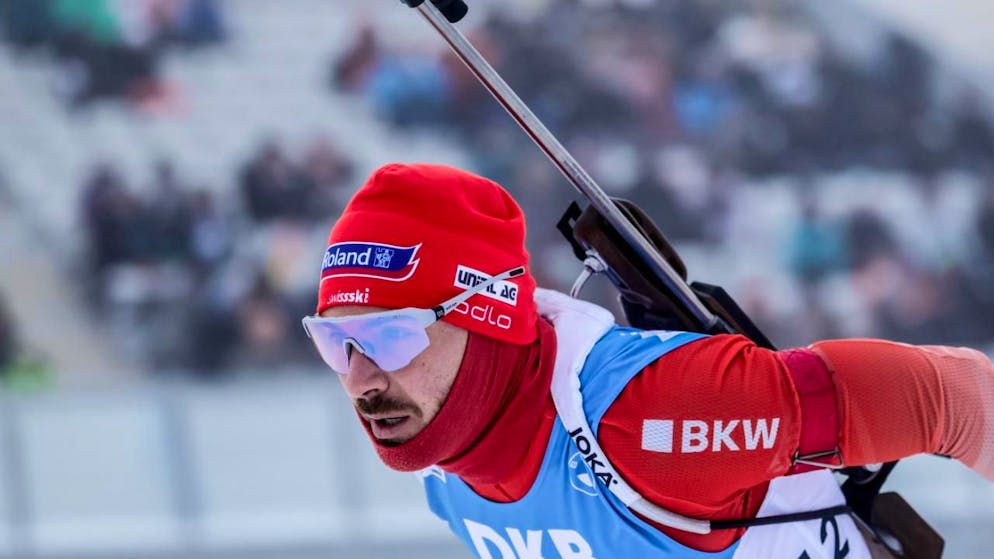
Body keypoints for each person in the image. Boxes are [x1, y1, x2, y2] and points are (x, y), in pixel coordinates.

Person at [305, 163, 994, 559]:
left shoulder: (651, 411)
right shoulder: (446, 478)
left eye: (390, 335)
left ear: (482, 316)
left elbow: (954, 396)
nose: (361, 378)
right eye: (335, 342)